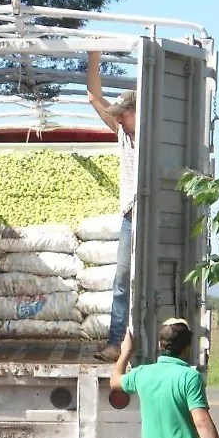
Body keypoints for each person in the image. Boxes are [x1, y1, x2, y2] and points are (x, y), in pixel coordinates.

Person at [86, 51, 137, 363]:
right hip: (130, 217)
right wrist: (94, 58)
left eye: (123, 113)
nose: (117, 118)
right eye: (116, 114)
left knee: (150, 282)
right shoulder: (121, 134)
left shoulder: (155, 136)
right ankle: (117, 343)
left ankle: (156, 343)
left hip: (154, 216)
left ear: (138, 111)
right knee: (121, 282)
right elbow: (95, 97)